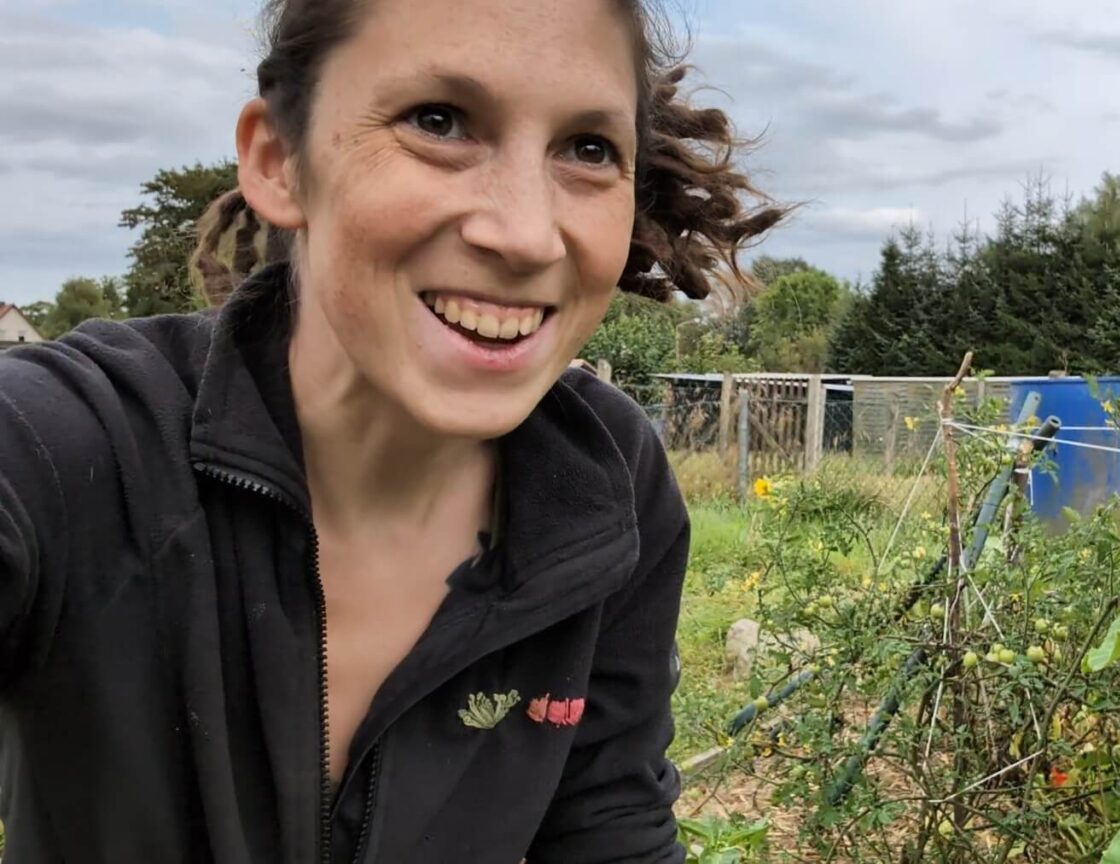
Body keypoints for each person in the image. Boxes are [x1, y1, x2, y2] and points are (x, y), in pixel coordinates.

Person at [0, 0, 783, 860]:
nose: (524, 234)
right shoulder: (69, 445)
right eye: (438, 122)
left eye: (588, 149)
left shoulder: (607, 481)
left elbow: (607, 828)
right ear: (280, 161)